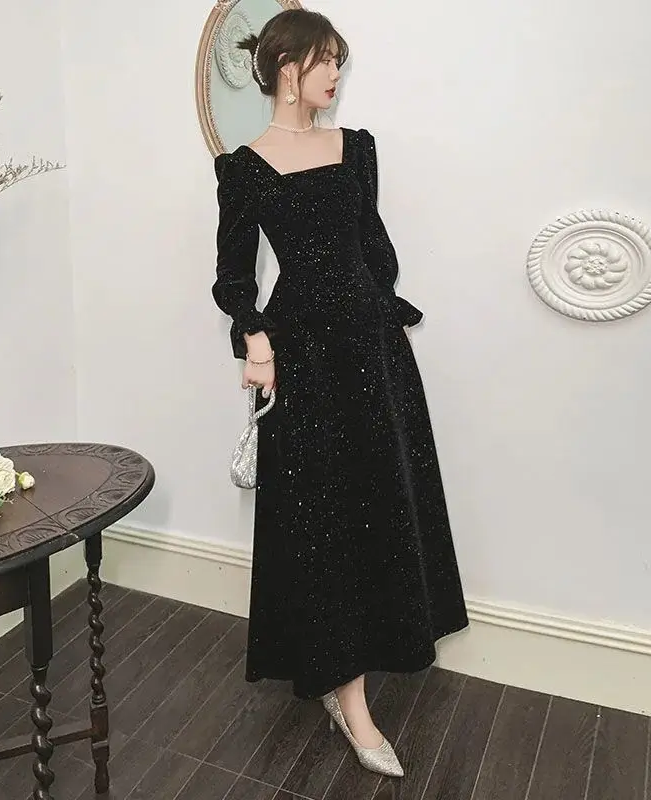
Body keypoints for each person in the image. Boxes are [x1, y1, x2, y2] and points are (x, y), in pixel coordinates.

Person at [211, 8, 468, 779]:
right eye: (326, 62)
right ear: (287, 67)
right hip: (303, 355)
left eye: (340, 64)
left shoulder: (357, 148)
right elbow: (233, 278)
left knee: (379, 502)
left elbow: (373, 246)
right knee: (321, 518)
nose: (335, 76)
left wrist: (379, 310)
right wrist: (256, 340)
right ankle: (348, 699)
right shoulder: (244, 167)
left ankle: (357, 667)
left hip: (372, 349)